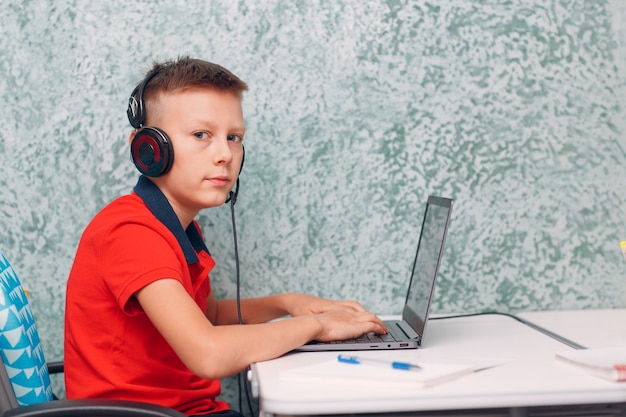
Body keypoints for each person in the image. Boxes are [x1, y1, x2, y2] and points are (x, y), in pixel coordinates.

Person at [64, 56, 387, 417]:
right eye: (201, 135)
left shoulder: (178, 225)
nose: (224, 155)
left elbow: (211, 317)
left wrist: (288, 303)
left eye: (234, 137)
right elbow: (209, 352)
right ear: (148, 148)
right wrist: (317, 325)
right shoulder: (131, 233)